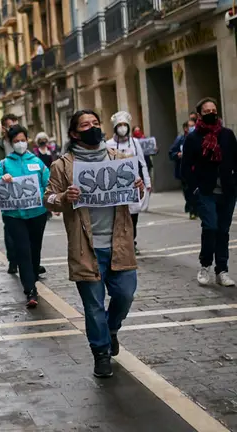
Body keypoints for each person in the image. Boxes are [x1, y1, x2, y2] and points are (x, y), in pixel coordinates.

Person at [45, 109, 145, 378]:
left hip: (120, 245)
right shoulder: (62, 166)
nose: (93, 128)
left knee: (125, 295)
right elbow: (48, 199)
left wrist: (138, 185)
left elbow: (137, 191)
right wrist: (64, 196)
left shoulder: (120, 159)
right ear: (75, 133)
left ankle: (111, 329)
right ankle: (100, 353)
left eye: (96, 123)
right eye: (85, 125)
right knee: (93, 306)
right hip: (85, 247)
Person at [182, 97, 237, 287]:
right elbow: (185, 168)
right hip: (206, 191)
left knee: (223, 231)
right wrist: (194, 190)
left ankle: (222, 270)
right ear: (199, 115)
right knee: (211, 227)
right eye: (207, 111)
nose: (212, 113)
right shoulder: (192, 138)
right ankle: (205, 264)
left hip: (228, 191)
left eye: (214, 110)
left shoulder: (227, 135)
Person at [0, 125, 50, 308]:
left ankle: (33, 275)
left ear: (28, 140)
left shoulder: (38, 163)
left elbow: (48, 184)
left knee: (35, 250)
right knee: (23, 250)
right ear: (10, 143)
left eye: (22, 140)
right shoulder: (3, 165)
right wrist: (2, 180)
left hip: (37, 214)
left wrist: (52, 202)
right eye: (16, 141)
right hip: (14, 216)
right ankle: (30, 290)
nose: (20, 144)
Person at [106, 111, 152, 255]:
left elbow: (142, 163)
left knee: (133, 215)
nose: (122, 128)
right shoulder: (109, 144)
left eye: (124, 125)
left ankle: (132, 241)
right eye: (119, 125)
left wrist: (147, 181)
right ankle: (121, 242)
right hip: (117, 185)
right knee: (118, 216)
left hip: (133, 185)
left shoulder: (135, 142)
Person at [0, 113, 21, 274]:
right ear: (3, 128)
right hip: (7, 193)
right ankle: (13, 259)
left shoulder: (23, 142)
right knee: (10, 227)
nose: (14, 128)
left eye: (16, 124)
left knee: (28, 228)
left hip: (25, 191)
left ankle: (30, 261)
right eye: (10, 126)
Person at [169, 120, 197, 219]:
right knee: (188, 191)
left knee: (197, 190)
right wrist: (178, 155)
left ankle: (195, 208)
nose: (193, 128)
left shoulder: (198, 137)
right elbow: (171, 153)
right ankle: (191, 209)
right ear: (185, 128)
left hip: (197, 170)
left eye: (194, 126)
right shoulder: (180, 139)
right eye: (191, 126)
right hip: (185, 171)